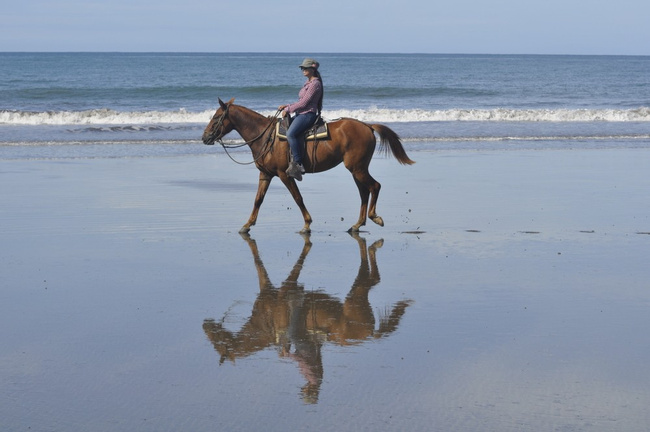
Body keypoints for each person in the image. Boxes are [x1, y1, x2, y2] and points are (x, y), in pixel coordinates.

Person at [278, 58, 324, 181]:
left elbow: (304, 103)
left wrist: (288, 109)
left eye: (305, 68)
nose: (303, 70)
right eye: (302, 68)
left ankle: (298, 164)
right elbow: (301, 102)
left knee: (291, 134)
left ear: (312, 69)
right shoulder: (308, 83)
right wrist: (287, 105)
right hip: (301, 113)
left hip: (307, 114)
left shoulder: (315, 84)